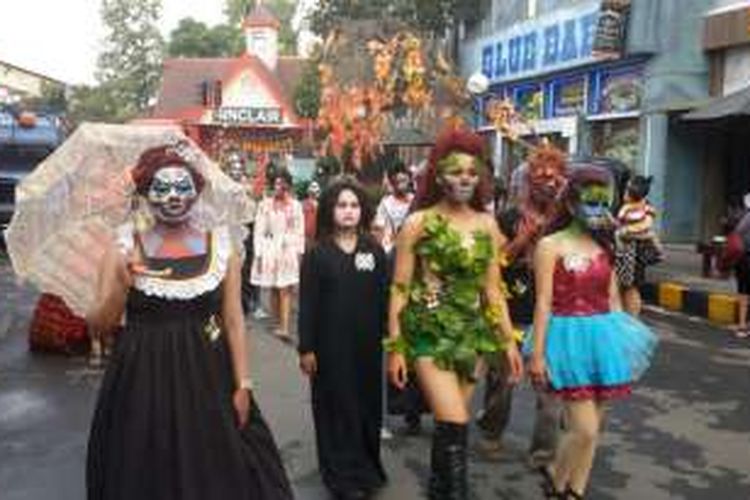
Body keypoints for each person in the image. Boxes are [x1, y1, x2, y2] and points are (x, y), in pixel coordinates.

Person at [85, 144, 293, 500]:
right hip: (141, 382)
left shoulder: (221, 245)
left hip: (209, 377)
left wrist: (243, 383)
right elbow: (98, 326)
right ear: (145, 191)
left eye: (182, 187)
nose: (172, 196)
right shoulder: (122, 245)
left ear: (196, 190)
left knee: (222, 468)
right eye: (161, 187)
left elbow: (232, 319)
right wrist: (121, 285)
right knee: (145, 472)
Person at [386, 128, 523, 500]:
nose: (464, 178)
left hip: (472, 336)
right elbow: (399, 289)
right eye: (456, 170)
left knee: (452, 427)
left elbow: (493, 290)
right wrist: (397, 348)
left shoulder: (487, 225)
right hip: (428, 331)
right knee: (456, 420)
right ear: (439, 174)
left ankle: (437, 490)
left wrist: (507, 341)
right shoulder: (418, 223)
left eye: (471, 171)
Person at [526, 163, 657, 499]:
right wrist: (538, 355)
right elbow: (542, 302)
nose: (599, 210)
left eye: (604, 203)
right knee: (583, 429)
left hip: (605, 337)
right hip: (565, 339)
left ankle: (574, 490)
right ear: (571, 204)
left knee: (593, 430)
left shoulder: (605, 247)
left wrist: (624, 345)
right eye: (591, 202)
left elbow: (612, 299)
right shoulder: (550, 245)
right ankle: (556, 479)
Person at [297, 177, 388, 500]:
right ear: (329, 211)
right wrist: (306, 348)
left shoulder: (374, 252)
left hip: (367, 349)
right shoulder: (317, 255)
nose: (348, 212)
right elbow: (307, 306)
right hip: (329, 351)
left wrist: (392, 341)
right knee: (336, 409)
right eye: (341, 205)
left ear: (362, 210)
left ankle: (367, 470)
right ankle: (340, 477)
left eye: (353, 206)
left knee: (367, 409)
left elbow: (385, 299)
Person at [477, 146, 568, 465]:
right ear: (530, 181)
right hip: (512, 313)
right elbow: (494, 264)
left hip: (553, 317)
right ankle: (490, 432)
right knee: (503, 383)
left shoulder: (566, 221)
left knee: (550, 391)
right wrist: (522, 240)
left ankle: (543, 453)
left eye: (556, 178)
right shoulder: (508, 217)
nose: (549, 183)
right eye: (542, 177)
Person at [251, 169, 305, 341]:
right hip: (269, 249)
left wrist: (299, 252)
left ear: (288, 185)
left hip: (288, 250)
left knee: (285, 288)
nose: (279, 187)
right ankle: (277, 322)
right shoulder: (264, 205)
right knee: (274, 287)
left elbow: (300, 230)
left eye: (282, 183)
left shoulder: (295, 205)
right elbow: (259, 230)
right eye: (276, 183)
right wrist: (258, 253)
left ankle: (285, 327)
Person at [614, 175, 663, 316]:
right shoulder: (630, 207)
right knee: (623, 287)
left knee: (630, 288)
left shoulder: (644, 209)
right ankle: (625, 318)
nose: (624, 193)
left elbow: (645, 227)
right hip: (625, 253)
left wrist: (625, 231)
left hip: (634, 254)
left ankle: (632, 321)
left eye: (627, 191)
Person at [729, 192, 750, 338]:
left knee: (744, 293)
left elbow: (738, 231)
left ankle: (743, 325)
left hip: (746, 258)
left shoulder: (747, 217)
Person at [302, 181, 321, 249]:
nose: (314, 194)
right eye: (313, 193)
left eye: (316, 192)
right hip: (304, 236)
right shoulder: (304, 204)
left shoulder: (319, 206)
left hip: (316, 237)